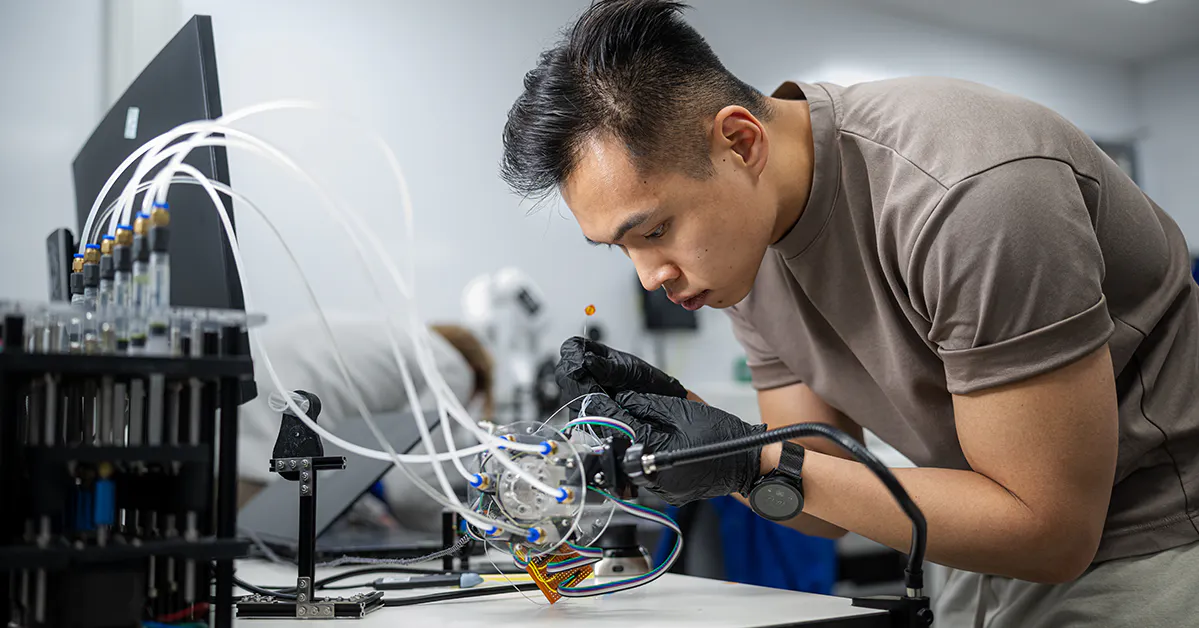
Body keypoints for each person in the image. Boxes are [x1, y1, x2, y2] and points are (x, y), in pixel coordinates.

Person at [499, 1, 1199, 625]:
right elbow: (819, 496)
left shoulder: (968, 194)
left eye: (653, 231)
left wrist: (752, 459)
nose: (651, 276)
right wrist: (698, 436)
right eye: (619, 246)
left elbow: (1049, 531)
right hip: (972, 542)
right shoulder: (745, 242)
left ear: (740, 142)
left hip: (1152, 538)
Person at [237, 313, 495, 534]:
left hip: (230, 453)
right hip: (277, 479)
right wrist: (472, 529)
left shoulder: (394, 340)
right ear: (475, 372)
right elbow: (411, 495)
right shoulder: (453, 367)